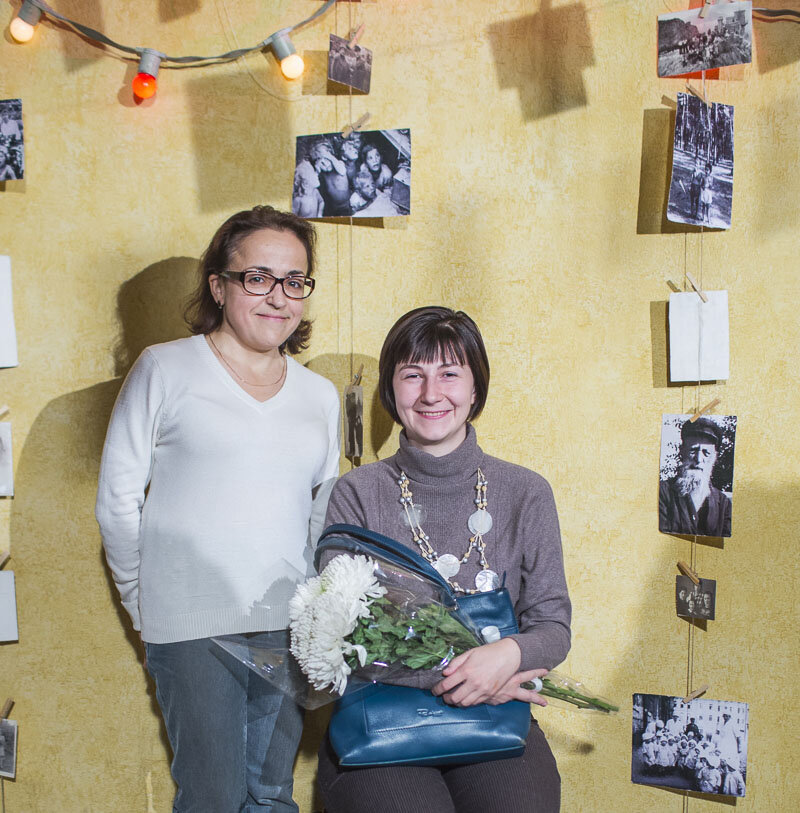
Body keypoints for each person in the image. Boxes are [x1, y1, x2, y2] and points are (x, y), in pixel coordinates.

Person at [95, 205, 341, 813]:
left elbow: (323, 517)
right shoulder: (165, 368)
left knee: (271, 795)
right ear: (219, 285)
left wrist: (318, 621)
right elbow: (117, 501)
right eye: (257, 277)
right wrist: (141, 606)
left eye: (294, 281)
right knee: (211, 797)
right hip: (189, 624)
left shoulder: (319, 396)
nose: (277, 297)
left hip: (286, 626)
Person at [316, 306, 571, 813]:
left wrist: (508, 657)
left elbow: (553, 625)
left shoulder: (525, 492)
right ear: (392, 391)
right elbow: (341, 633)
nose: (432, 394)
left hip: (497, 718)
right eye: (413, 375)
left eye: (450, 374)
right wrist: (470, 677)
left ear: (475, 389)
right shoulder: (357, 493)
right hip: (380, 720)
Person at [659, 417, 732, 537]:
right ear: (681, 451)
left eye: (706, 452)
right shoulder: (663, 492)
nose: (698, 459)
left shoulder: (723, 504)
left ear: (714, 458)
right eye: (693, 450)